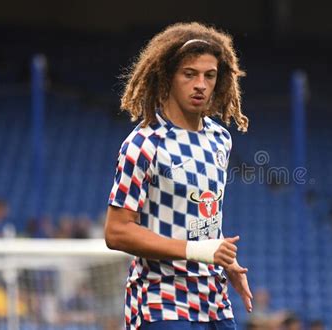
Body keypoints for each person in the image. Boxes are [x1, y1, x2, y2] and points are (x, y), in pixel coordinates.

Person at [104, 22, 251, 330]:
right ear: (168, 76)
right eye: (189, 74)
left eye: (209, 75)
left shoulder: (220, 139)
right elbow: (117, 232)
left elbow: (197, 216)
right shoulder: (144, 143)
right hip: (162, 301)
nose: (201, 84)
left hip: (213, 300)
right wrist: (197, 250)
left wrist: (224, 257)